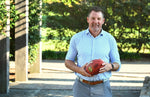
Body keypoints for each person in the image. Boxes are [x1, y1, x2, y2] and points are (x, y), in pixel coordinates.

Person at [65, 6, 121, 97]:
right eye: (93, 18)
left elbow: (118, 64)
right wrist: (79, 70)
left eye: (99, 19)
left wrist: (110, 66)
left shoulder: (110, 39)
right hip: (81, 86)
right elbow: (68, 61)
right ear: (88, 20)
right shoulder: (77, 38)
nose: (96, 22)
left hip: (102, 87)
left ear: (103, 21)